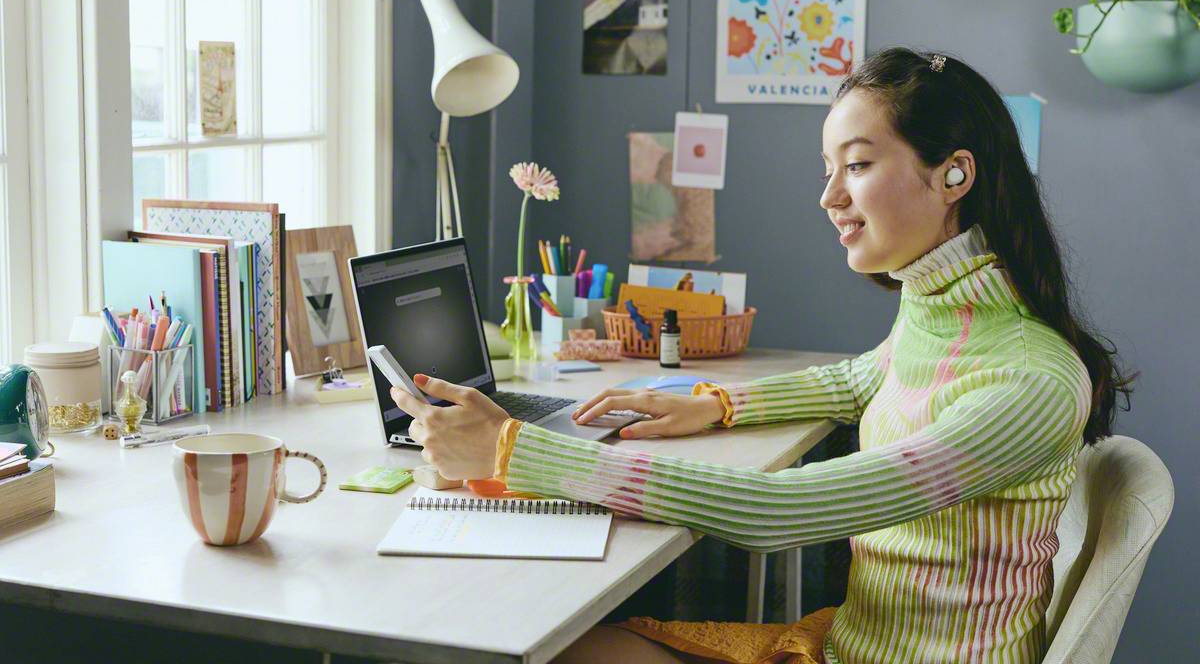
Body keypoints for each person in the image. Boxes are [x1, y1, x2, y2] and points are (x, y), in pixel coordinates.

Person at [391, 48, 1136, 664]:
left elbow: (784, 510)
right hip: (850, 645)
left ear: (954, 175)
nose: (828, 198)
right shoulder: (949, 313)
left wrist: (513, 449)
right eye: (827, 169)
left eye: (857, 165)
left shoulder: (1028, 379)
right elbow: (860, 381)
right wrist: (713, 404)